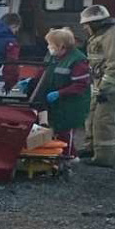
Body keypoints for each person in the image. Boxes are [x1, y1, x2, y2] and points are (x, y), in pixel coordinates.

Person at [78, 4, 115, 167]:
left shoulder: (113, 35)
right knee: (92, 119)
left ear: (96, 23)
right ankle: (91, 149)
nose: (84, 28)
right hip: (100, 85)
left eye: (86, 25)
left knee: (104, 122)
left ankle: (105, 159)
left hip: (111, 88)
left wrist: (104, 87)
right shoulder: (102, 34)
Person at [32, 27, 90, 157]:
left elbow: (80, 85)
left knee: (65, 132)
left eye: (50, 44)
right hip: (58, 104)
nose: (48, 47)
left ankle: (68, 159)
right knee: (56, 130)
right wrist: (31, 81)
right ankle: (65, 156)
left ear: (61, 46)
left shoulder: (78, 60)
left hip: (72, 105)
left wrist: (60, 93)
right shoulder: (54, 56)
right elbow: (45, 72)